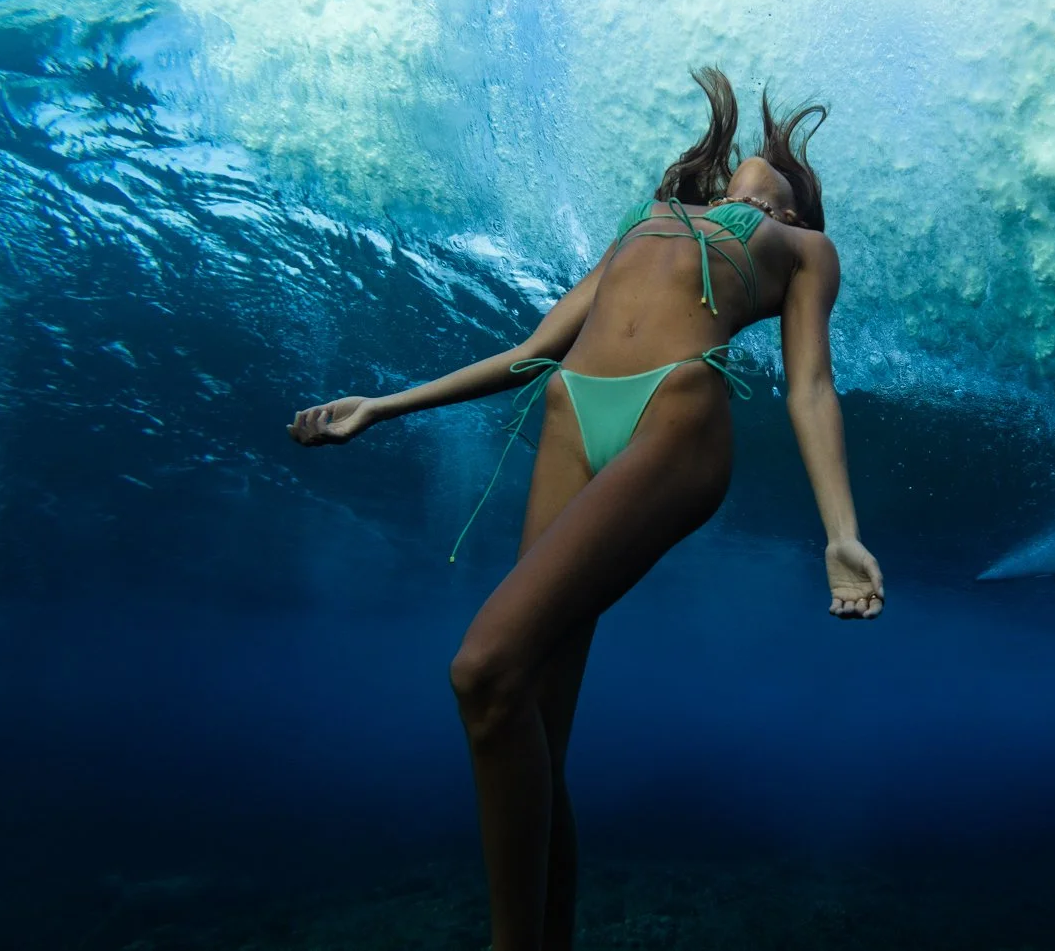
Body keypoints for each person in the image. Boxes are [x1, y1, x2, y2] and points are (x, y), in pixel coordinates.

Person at [287, 67, 885, 951]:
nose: (765, 169)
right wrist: (383, 405)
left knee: (481, 669)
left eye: (785, 182)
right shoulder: (647, 220)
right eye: (752, 167)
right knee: (528, 716)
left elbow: (811, 389)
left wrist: (841, 534)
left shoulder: (801, 249)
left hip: (674, 418)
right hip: (570, 416)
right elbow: (532, 351)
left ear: (795, 212)